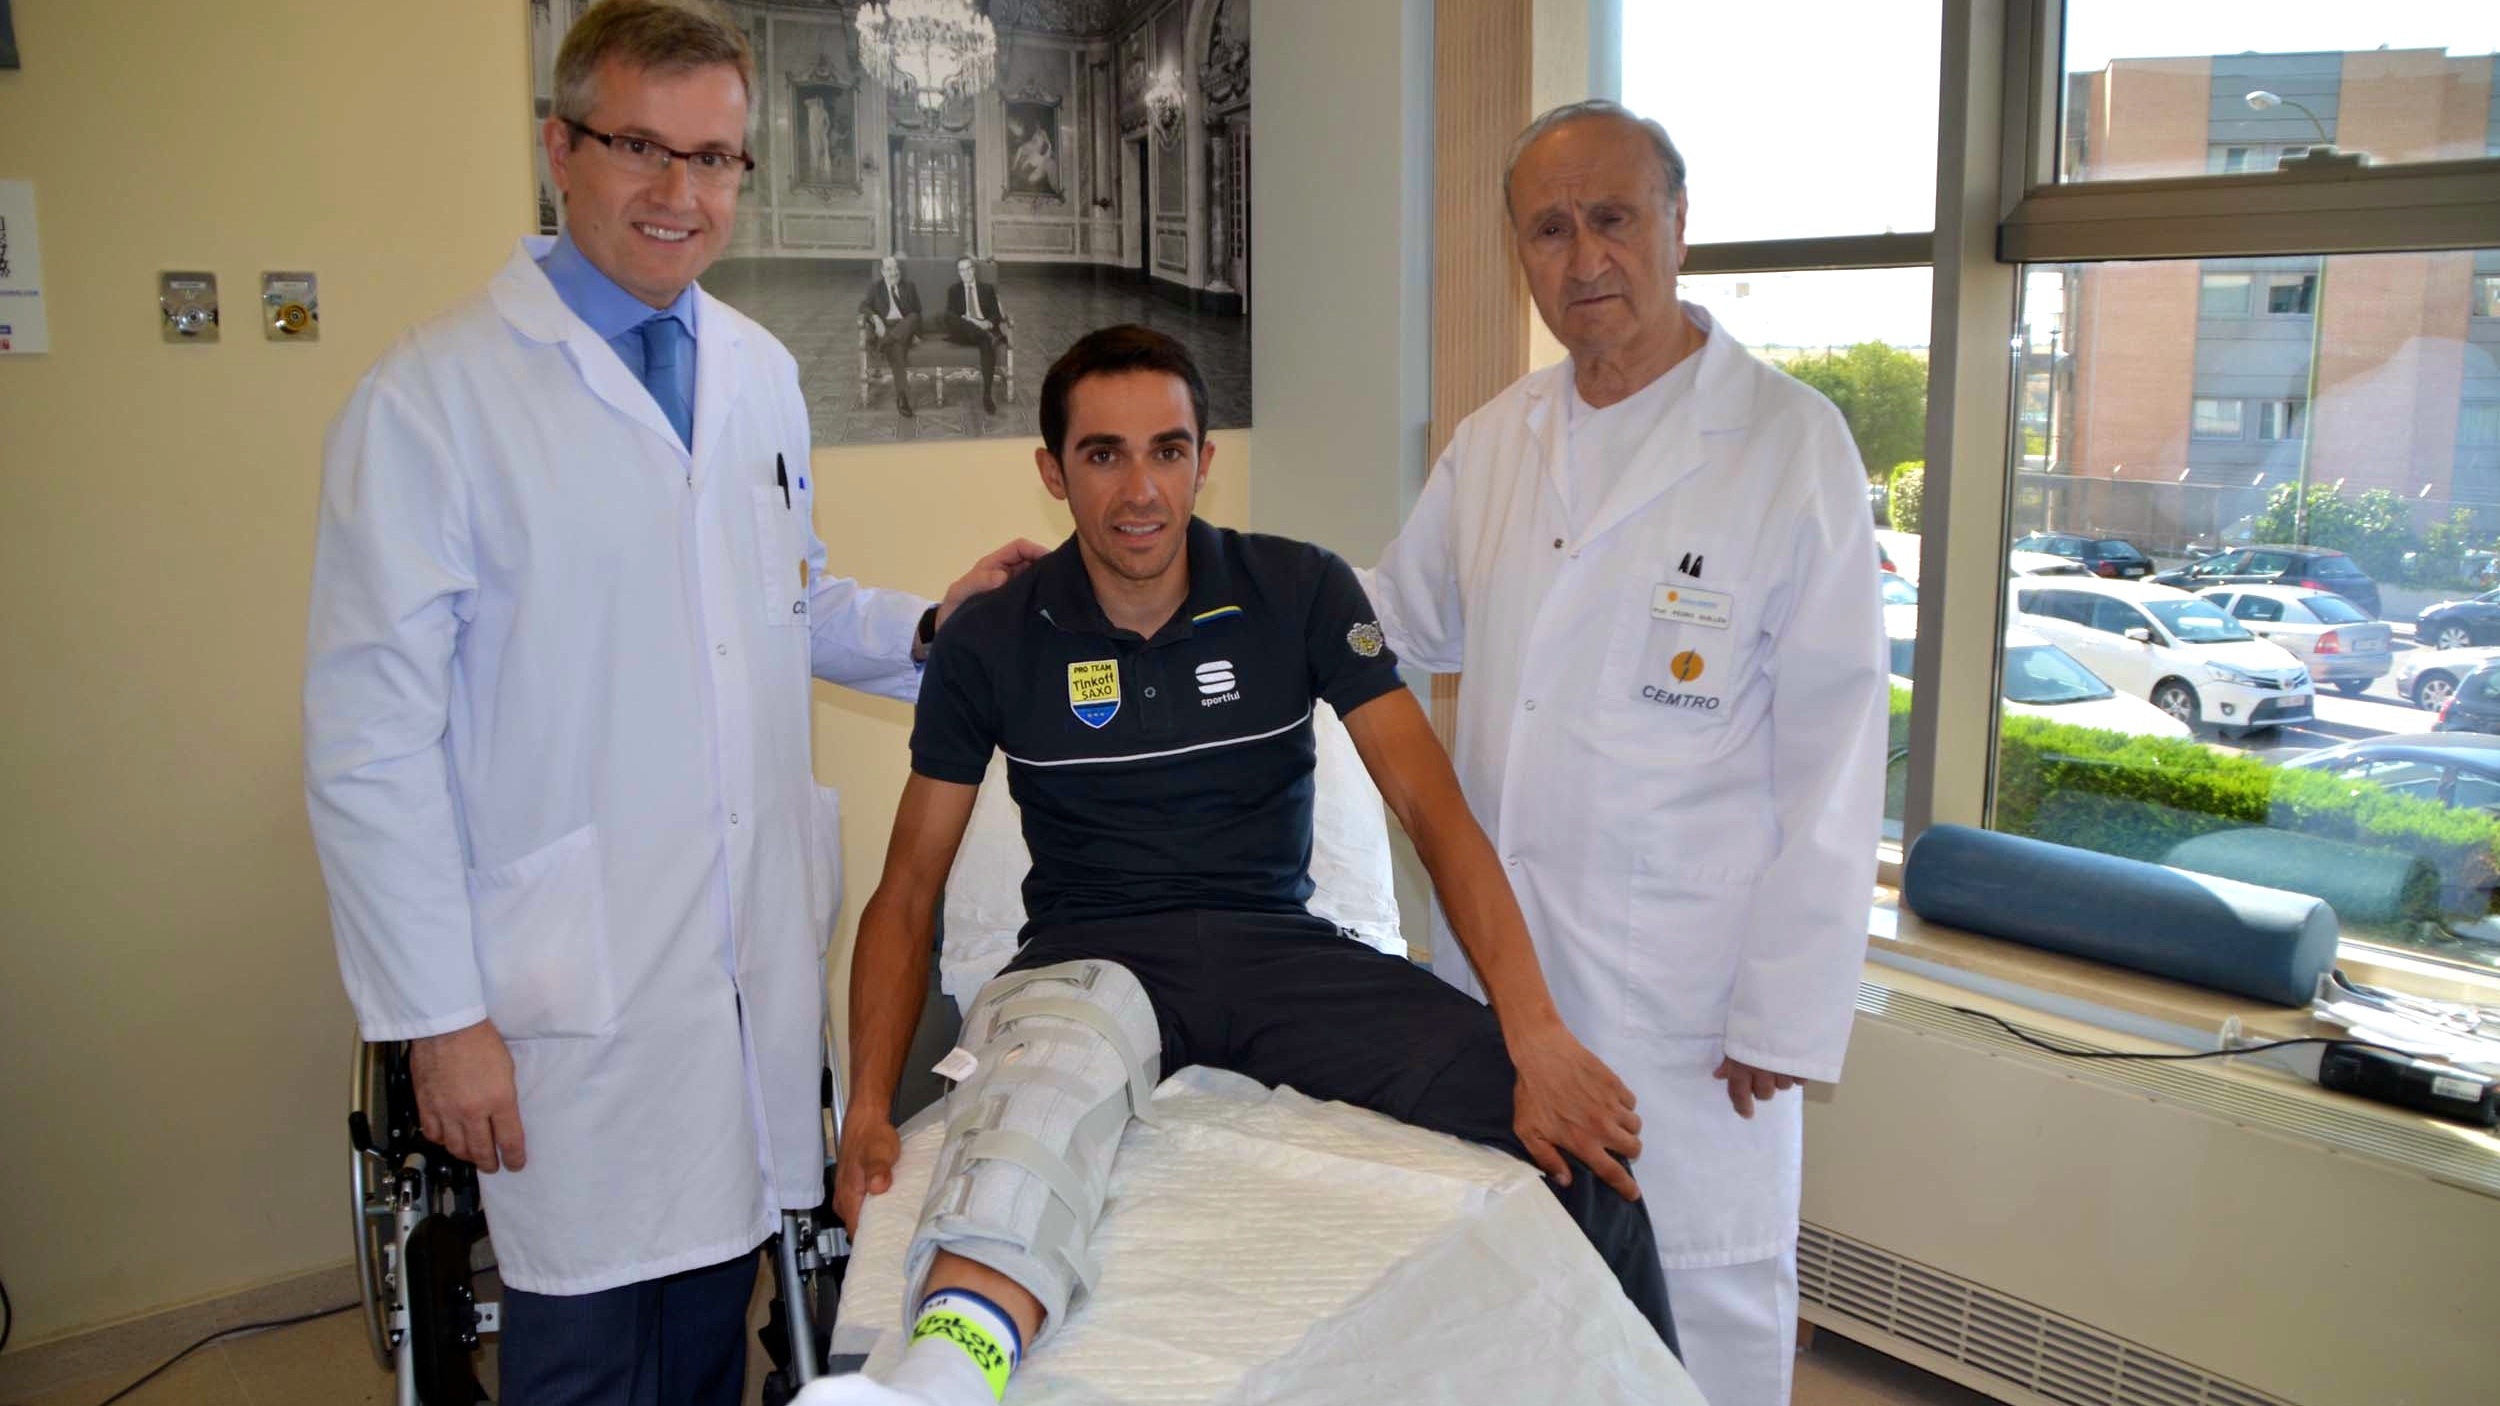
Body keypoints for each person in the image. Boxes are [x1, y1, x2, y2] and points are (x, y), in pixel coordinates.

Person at [301, 4, 1045, 1402]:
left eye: (714, 159)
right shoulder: (431, 401)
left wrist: (932, 630)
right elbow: (368, 745)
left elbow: (778, 600)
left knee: (713, 1327)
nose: (681, 192)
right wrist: (437, 1016)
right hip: (563, 994)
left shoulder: (758, 372)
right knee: (583, 1347)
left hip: (740, 967)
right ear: (559, 149)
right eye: (641, 147)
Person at [800, 326, 1675, 1406]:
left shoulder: (1297, 589)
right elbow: (907, 891)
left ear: (1203, 461)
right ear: (1052, 471)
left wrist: (1534, 1034)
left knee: (1586, 1156)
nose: (1140, 490)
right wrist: (868, 1109)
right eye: (1103, 454)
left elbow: (1432, 810)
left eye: (1167, 451)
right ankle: (940, 1379)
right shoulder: (991, 637)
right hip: (1087, 964)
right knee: (1029, 1122)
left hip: (1281, 959)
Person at [1360, 100, 1887, 1406]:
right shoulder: (1497, 440)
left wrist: (1784, 1003)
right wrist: (1198, 581)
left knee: (1693, 1319)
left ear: (1678, 225)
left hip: (1690, 1008)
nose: (1585, 256)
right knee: (1515, 1306)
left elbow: (1836, 754)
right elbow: (1387, 620)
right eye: (1550, 229)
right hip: (1509, 982)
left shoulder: (1788, 444)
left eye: (1613, 217)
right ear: (1519, 254)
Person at [941, 254, 1008, 415]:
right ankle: (988, 336)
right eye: (962, 270)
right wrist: (973, 322)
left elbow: (996, 315)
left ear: (973, 270)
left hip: (983, 332)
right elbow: (953, 318)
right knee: (947, 315)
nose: (966, 273)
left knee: (985, 342)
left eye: (968, 268)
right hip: (965, 334)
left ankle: (987, 395)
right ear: (959, 273)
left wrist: (987, 324)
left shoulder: (987, 289)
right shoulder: (953, 290)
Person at [860, 254, 924, 418]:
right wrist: (875, 318)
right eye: (889, 269)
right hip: (887, 328)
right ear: (883, 272)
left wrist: (915, 332)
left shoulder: (909, 286)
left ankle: (883, 343)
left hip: (904, 327)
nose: (894, 273)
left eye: (895, 268)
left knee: (913, 317)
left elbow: (917, 312)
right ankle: (902, 398)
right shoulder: (876, 288)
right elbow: (863, 306)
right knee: (897, 352)